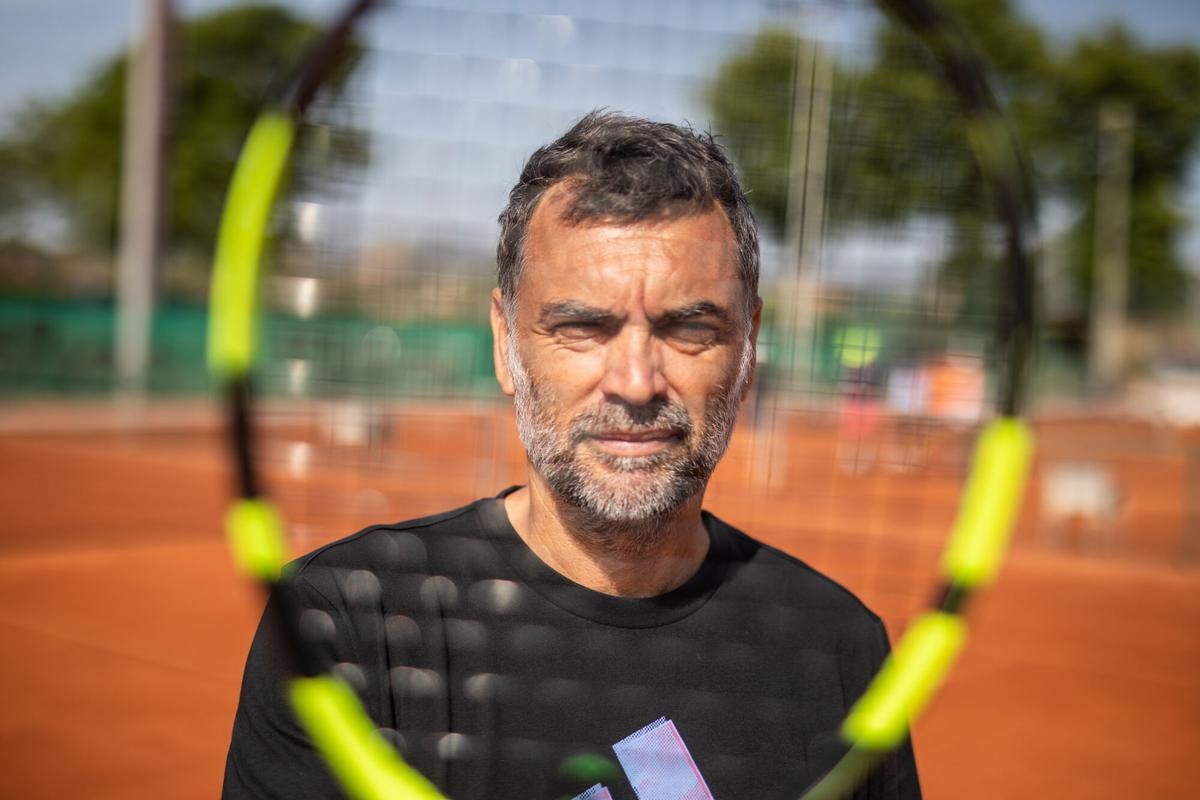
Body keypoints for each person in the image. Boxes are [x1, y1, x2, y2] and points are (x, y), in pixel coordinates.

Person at [222, 111, 921, 800]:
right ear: (505, 342)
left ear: (748, 346)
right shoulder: (342, 626)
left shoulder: (837, 649)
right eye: (583, 326)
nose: (636, 381)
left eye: (689, 328)